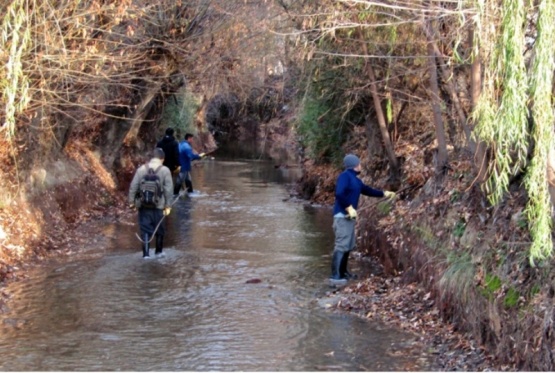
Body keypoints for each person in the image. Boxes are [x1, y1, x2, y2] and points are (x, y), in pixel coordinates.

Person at [330, 154, 396, 283]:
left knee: (348, 245)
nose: (361, 166)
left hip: (349, 217)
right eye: (359, 164)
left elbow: (367, 190)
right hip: (342, 216)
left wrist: (384, 193)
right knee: (341, 245)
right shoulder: (344, 176)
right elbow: (339, 193)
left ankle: (343, 273)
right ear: (355, 165)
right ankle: (335, 276)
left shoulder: (355, 180)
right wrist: (349, 208)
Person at [128, 148, 174, 259]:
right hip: (159, 206)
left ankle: (146, 255)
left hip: (143, 206)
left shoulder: (141, 169)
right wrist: (168, 206)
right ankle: (159, 253)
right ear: (162, 159)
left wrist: (132, 203)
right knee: (160, 230)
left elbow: (133, 187)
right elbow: (168, 190)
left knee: (145, 230)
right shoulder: (165, 170)